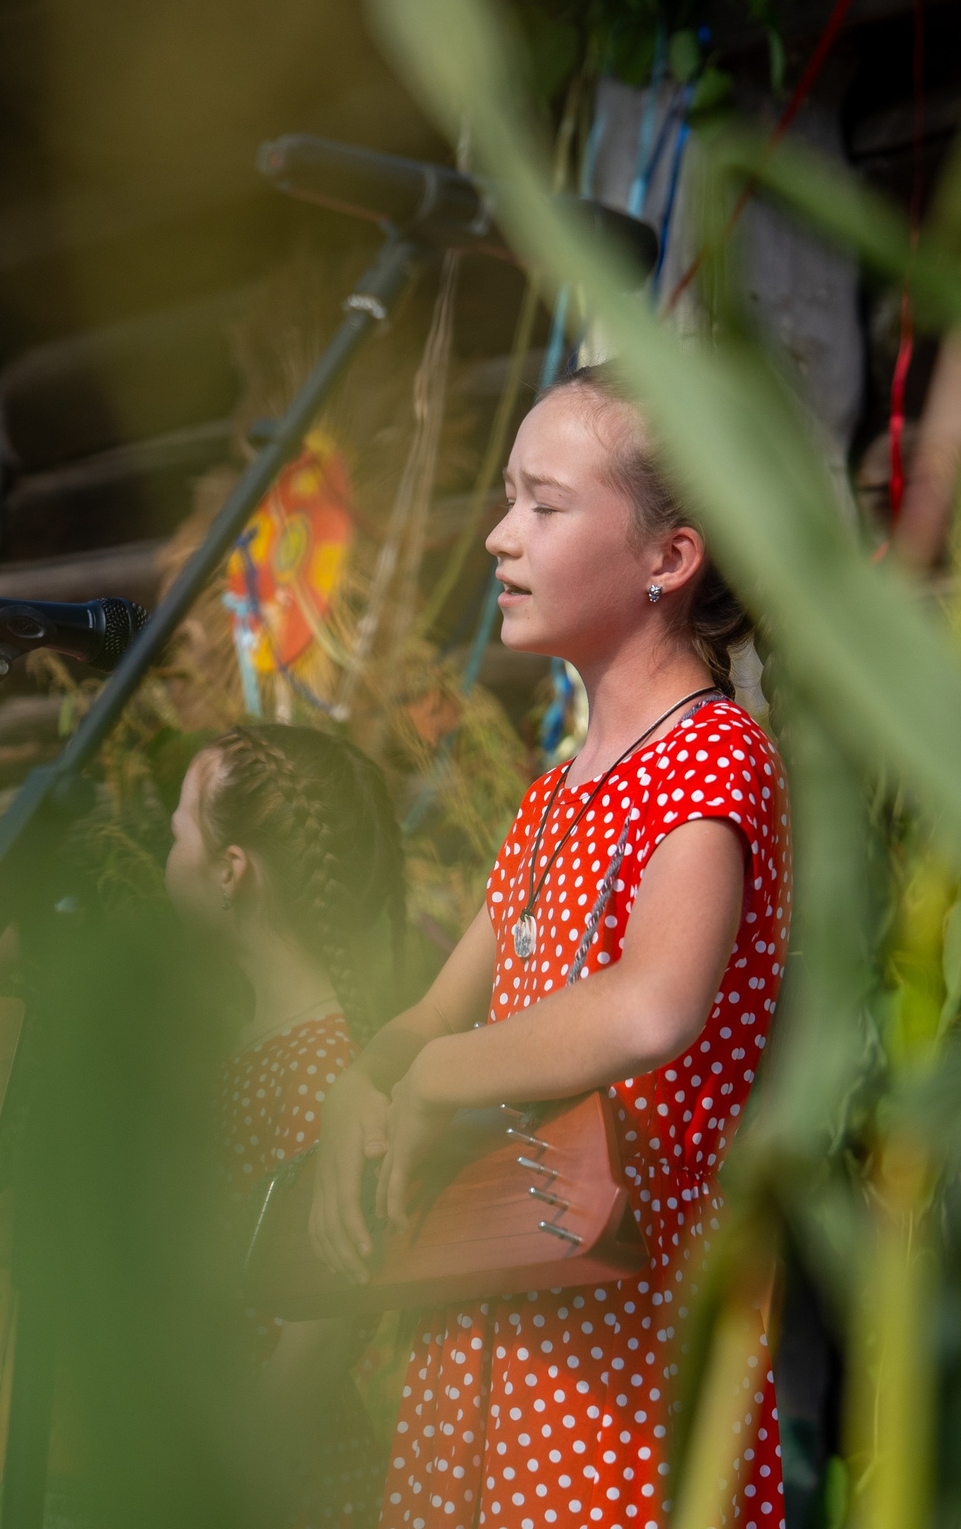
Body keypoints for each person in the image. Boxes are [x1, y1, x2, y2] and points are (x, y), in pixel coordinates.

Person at [306, 363, 790, 1529]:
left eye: (542, 503)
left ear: (669, 558)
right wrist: (355, 1098)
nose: (496, 535)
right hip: (499, 1290)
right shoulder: (552, 798)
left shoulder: (712, 755)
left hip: (628, 1321)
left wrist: (438, 1076)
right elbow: (433, 1011)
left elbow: (651, 1006)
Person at [164, 723, 408, 1527]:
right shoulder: (256, 1045)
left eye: (177, 834)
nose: (166, 855)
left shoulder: (321, 1064)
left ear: (232, 871)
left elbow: (319, 1331)